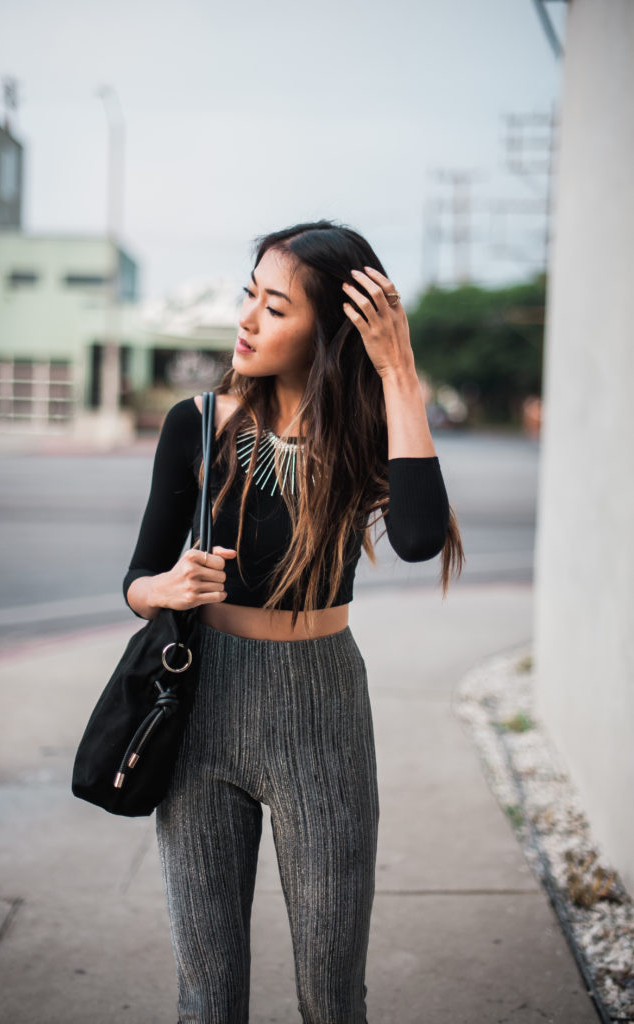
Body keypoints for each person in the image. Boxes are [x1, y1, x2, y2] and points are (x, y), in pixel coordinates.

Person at [123, 219, 464, 1023]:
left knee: (331, 994)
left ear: (328, 331)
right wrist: (166, 587)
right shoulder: (196, 425)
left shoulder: (366, 433)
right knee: (207, 997)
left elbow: (417, 539)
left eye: (275, 308)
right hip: (202, 708)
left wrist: (397, 369)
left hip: (322, 712)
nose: (245, 320)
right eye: (250, 296)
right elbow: (137, 581)